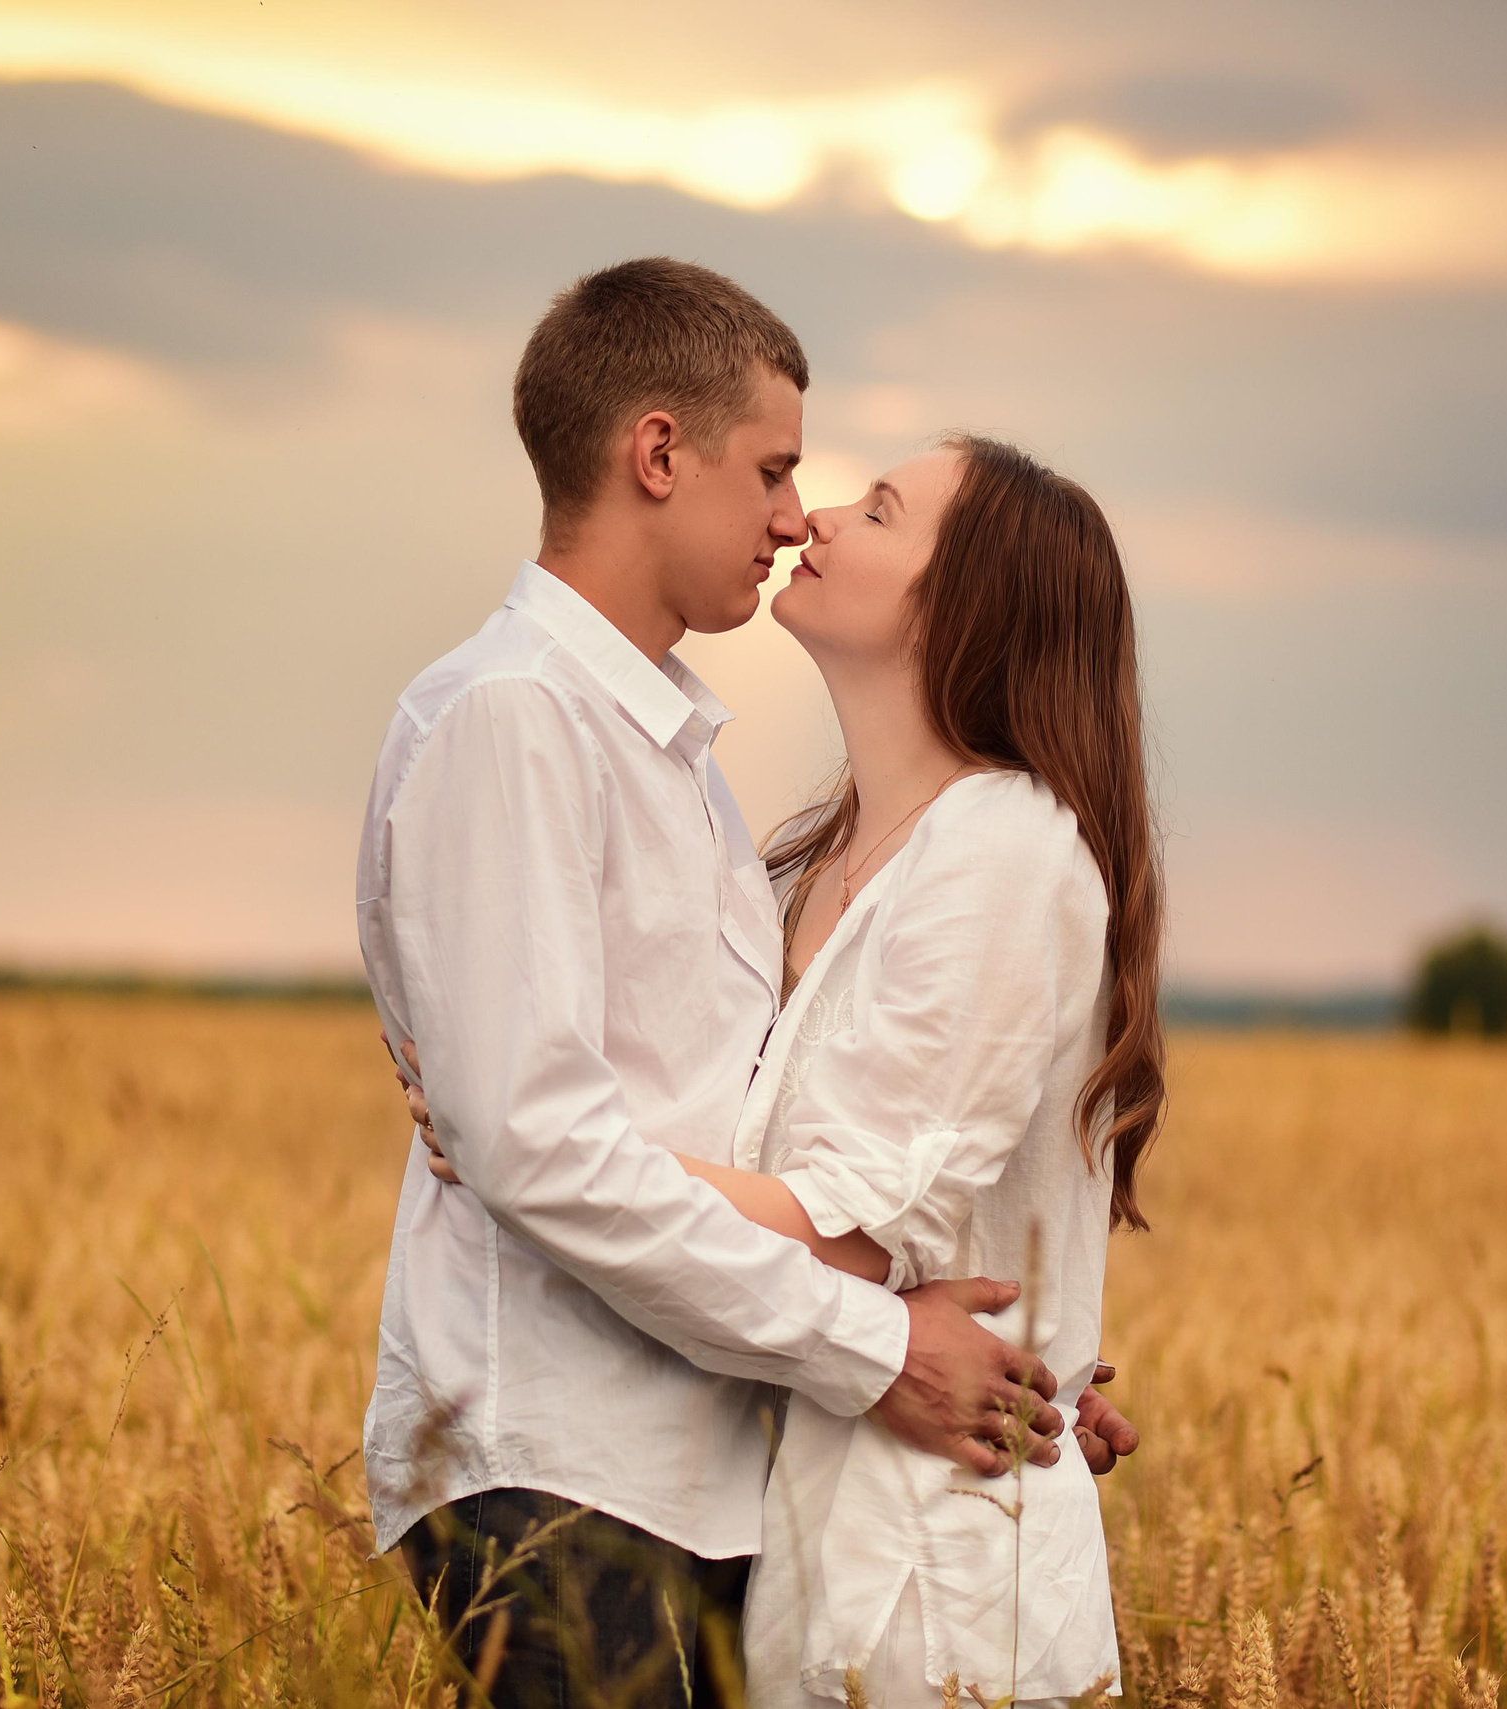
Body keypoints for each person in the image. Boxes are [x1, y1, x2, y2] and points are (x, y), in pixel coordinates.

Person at [355, 258, 1137, 1709]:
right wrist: (887, 1343)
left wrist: (1029, 1359)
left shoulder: (707, 787)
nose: (802, 515)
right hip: (571, 1461)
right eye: (780, 471)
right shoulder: (523, 719)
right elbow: (557, 1146)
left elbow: (814, 1163)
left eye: (859, 502)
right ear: (660, 453)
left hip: (735, 1481)